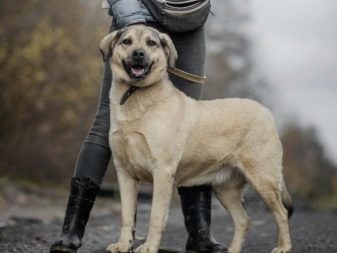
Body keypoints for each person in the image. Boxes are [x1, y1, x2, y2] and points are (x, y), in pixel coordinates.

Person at [49, 1, 228, 253]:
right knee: (105, 122)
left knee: (190, 127)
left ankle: (200, 235)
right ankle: (71, 233)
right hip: (136, 13)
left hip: (188, 19)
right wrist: (131, 19)